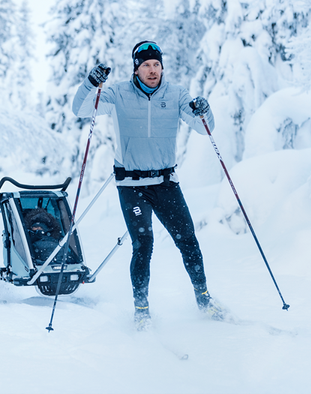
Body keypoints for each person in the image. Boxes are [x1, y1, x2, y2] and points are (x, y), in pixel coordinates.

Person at [72, 41, 223, 329]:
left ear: (162, 66)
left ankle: (204, 299)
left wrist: (205, 110)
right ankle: (142, 311)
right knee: (144, 244)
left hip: (165, 183)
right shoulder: (117, 93)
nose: (152, 70)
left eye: (156, 64)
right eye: (146, 65)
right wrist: (91, 83)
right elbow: (80, 109)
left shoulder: (177, 94)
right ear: (136, 69)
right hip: (132, 185)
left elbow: (205, 127)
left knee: (188, 240)